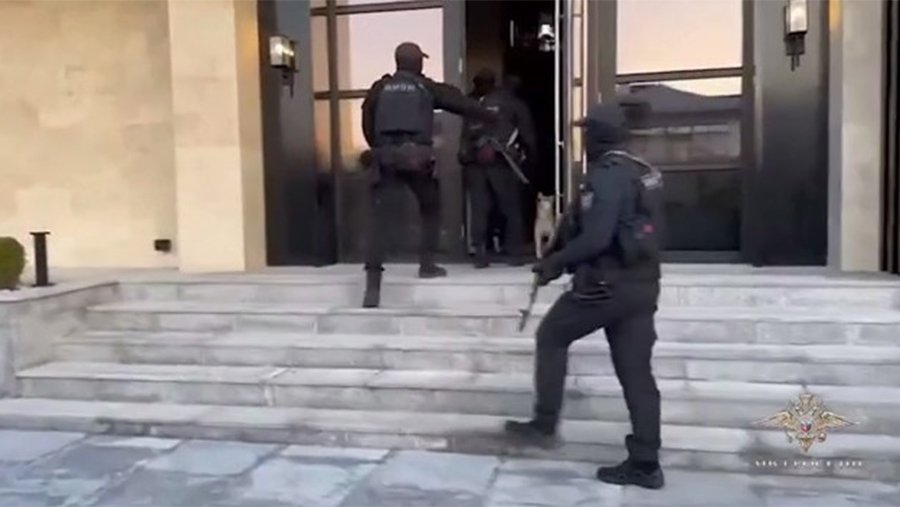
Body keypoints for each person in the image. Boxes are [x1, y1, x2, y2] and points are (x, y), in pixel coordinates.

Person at [503, 102, 666, 490]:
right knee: (636, 373)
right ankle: (646, 463)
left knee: (551, 336)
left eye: (587, 132)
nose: (584, 139)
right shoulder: (643, 172)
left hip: (604, 286)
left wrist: (553, 262)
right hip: (641, 285)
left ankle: (544, 424)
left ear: (598, 137)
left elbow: (596, 238)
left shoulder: (606, 176)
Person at [361, 42, 497, 308]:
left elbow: (367, 122)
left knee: (379, 223)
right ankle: (427, 265)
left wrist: (380, 148)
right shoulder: (425, 87)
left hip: (386, 159)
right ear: (418, 63)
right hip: (417, 160)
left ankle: (372, 289)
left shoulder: (380, 88)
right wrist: (490, 116)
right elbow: (460, 104)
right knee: (431, 207)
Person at [459, 68, 537, 268]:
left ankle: (481, 253)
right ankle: (514, 253)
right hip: (503, 163)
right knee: (510, 208)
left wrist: (466, 157)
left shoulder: (471, 104)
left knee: (479, 208)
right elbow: (528, 135)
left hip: (476, 163)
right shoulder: (513, 103)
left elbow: (464, 138)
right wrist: (531, 160)